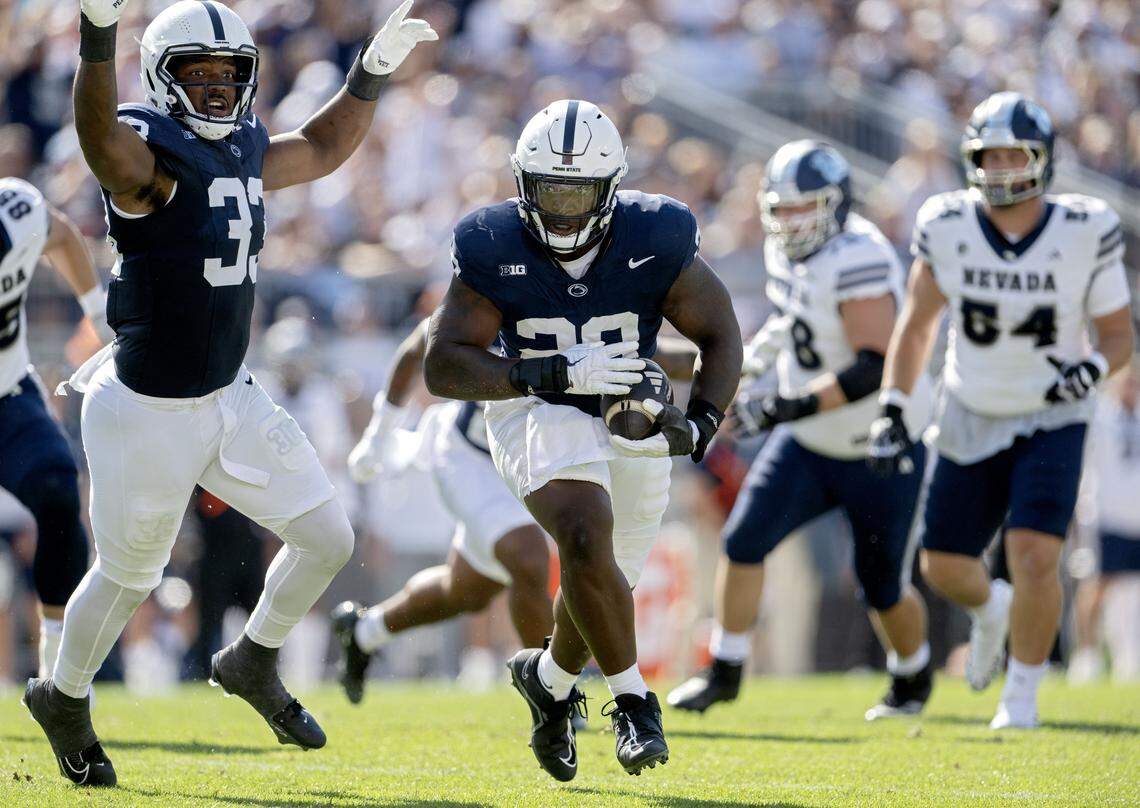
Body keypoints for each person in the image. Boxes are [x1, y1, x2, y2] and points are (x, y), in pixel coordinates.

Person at [23, 0, 435, 787]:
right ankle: (64, 697)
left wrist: (369, 74)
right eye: (197, 73)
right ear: (161, 76)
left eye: (229, 74)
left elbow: (318, 146)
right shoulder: (147, 149)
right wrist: (98, 39)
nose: (215, 89)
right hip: (144, 408)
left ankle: (251, 657)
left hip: (228, 393)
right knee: (127, 574)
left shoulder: (242, 142)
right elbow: (99, 141)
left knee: (328, 538)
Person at [424, 99, 743, 779]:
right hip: (532, 404)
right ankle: (633, 704)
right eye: (549, 190)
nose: (564, 210)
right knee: (581, 532)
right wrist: (549, 371)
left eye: (579, 192)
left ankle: (548, 680)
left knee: (604, 581)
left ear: (612, 188)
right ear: (522, 184)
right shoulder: (492, 242)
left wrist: (705, 422)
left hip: (628, 408)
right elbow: (443, 362)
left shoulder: (654, 234)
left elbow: (720, 332)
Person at [867, 92, 1134, 729]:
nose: (1004, 166)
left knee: (1036, 553)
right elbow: (915, 326)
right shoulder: (948, 222)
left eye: (1017, 154)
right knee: (943, 566)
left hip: (1051, 414)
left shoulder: (1084, 228)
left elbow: (1118, 335)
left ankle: (1022, 694)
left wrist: (1091, 371)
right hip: (970, 406)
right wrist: (894, 406)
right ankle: (990, 610)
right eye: (992, 154)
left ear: (1044, 160)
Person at [667, 141, 935, 720]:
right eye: (781, 209)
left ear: (836, 205)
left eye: (803, 208)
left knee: (880, 585)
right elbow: (793, 320)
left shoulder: (859, 255)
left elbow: (872, 366)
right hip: (813, 442)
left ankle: (912, 676)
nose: (790, 221)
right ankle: (726, 670)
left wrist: (781, 408)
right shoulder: (787, 252)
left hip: (878, 445)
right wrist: (750, 369)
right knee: (743, 541)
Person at [331, 318, 554, 703]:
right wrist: (379, 435)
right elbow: (421, 343)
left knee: (466, 589)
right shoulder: (499, 284)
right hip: (471, 455)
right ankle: (553, 693)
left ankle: (365, 631)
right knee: (528, 555)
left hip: (536, 462)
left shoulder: (596, 292)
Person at [0, 177, 112, 680]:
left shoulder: (16, 210)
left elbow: (61, 235)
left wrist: (96, 311)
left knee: (58, 490)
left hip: (7, 392)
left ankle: (57, 671)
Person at [1069, 363, 1140, 683]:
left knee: (1131, 590)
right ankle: (1086, 654)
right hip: (1103, 515)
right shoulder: (1099, 418)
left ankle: (1129, 655)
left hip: (1135, 517)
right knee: (1096, 586)